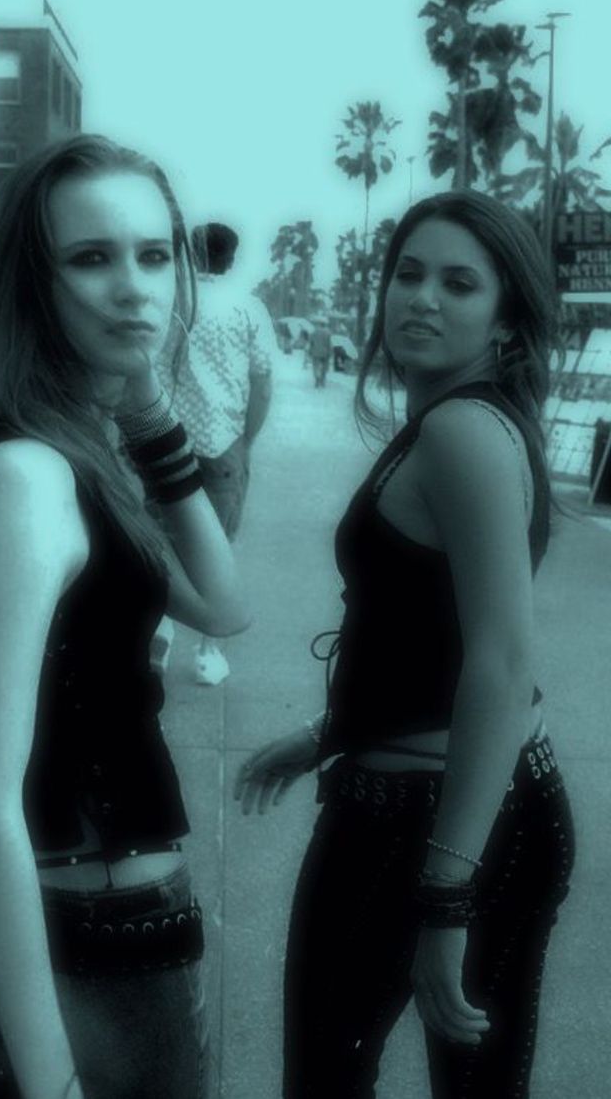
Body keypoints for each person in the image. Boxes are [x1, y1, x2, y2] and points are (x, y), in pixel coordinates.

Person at [0, 135, 250, 1099]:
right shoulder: (27, 473)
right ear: (30, 285)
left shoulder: (56, 444)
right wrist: (52, 1085)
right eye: (91, 259)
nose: (136, 289)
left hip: (31, 921)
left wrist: (151, 409)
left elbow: (221, 603)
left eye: (154, 253)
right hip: (82, 933)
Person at [235, 190, 575, 1099]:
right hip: (469, 803)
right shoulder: (471, 421)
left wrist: (447, 896)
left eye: (459, 283)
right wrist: (324, 732)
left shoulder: (464, 430)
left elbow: (501, 664)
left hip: (428, 826)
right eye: (408, 273)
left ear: (506, 317)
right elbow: (434, 637)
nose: (420, 298)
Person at [156, 220, 276, 684]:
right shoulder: (248, 309)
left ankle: (158, 631)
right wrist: (246, 440)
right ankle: (208, 653)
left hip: (161, 442)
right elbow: (262, 382)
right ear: (231, 258)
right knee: (218, 546)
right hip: (222, 441)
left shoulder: (170, 302)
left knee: (158, 542)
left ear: (189, 255)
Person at [309, 317, 332, 388]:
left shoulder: (314, 332)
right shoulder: (328, 333)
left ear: (319, 324)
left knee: (315, 366)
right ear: (325, 325)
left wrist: (310, 351)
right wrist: (330, 352)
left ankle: (317, 379)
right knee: (324, 367)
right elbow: (329, 344)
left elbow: (311, 343)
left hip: (315, 352)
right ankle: (322, 380)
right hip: (325, 353)